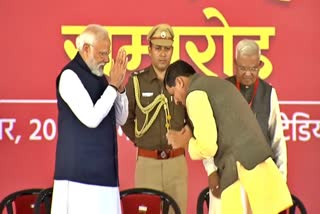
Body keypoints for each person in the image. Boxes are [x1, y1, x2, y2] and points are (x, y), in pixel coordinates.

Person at [165, 60, 292, 214]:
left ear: (179, 82)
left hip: (242, 174)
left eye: (173, 94)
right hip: (261, 173)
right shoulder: (218, 84)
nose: (176, 101)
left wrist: (184, 142)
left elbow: (208, 147)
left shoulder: (195, 94)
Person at [203, 39, 288, 213]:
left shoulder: (269, 93)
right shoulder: (220, 91)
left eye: (253, 68)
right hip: (227, 177)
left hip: (261, 181)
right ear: (234, 64)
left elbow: (277, 140)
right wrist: (211, 170)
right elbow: (207, 135)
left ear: (260, 65)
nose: (248, 74)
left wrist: (279, 181)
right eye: (243, 68)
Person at [51, 24, 128, 214]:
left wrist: (119, 88)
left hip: (105, 176)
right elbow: (91, 118)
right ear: (86, 49)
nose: (106, 59)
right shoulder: (69, 76)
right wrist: (112, 87)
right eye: (102, 54)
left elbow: (121, 119)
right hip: (78, 178)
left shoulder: (102, 79)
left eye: (108, 53)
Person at [121, 24, 188, 213]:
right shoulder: (137, 81)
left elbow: (193, 119)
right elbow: (125, 117)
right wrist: (140, 139)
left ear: (172, 50)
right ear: (149, 49)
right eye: (158, 48)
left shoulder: (183, 81)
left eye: (167, 49)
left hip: (176, 163)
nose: (162, 54)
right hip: (147, 162)